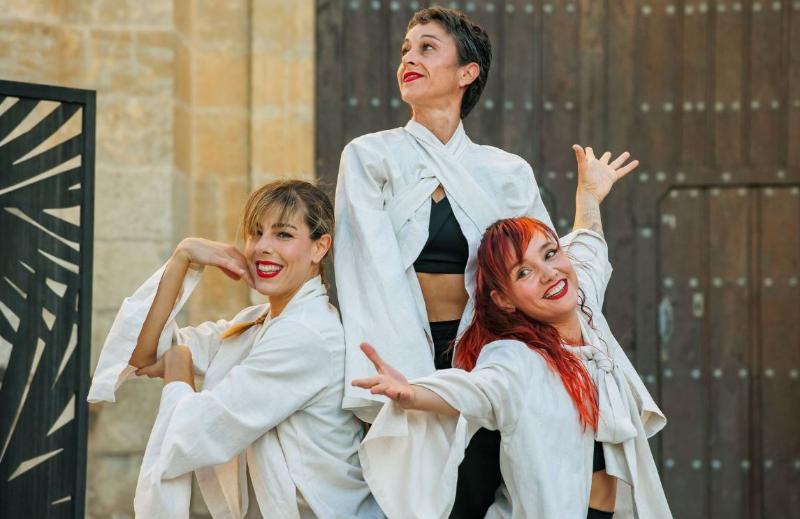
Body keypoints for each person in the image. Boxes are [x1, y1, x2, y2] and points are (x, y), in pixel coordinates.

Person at [353, 146, 672, 518]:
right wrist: (414, 393)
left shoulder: (582, 299)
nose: (549, 273)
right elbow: (477, 390)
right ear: (503, 299)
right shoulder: (517, 357)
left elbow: (589, 243)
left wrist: (588, 197)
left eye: (550, 253)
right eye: (524, 273)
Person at [334, 7, 551, 516]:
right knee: (407, 499)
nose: (409, 58)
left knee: (475, 496)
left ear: (467, 72)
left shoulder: (507, 171)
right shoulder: (369, 156)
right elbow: (366, 270)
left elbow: (542, 267)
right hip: (395, 349)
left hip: (484, 355)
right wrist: (406, 375)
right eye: (405, 50)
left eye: (427, 48)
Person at [88, 180, 382, 518]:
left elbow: (198, 433)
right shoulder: (256, 322)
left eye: (283, 234)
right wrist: (184, 256)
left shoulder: (305, 335)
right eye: (256, 233)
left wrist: (179, 362)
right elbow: (145, 353)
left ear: (320, 247)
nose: (263, 247)